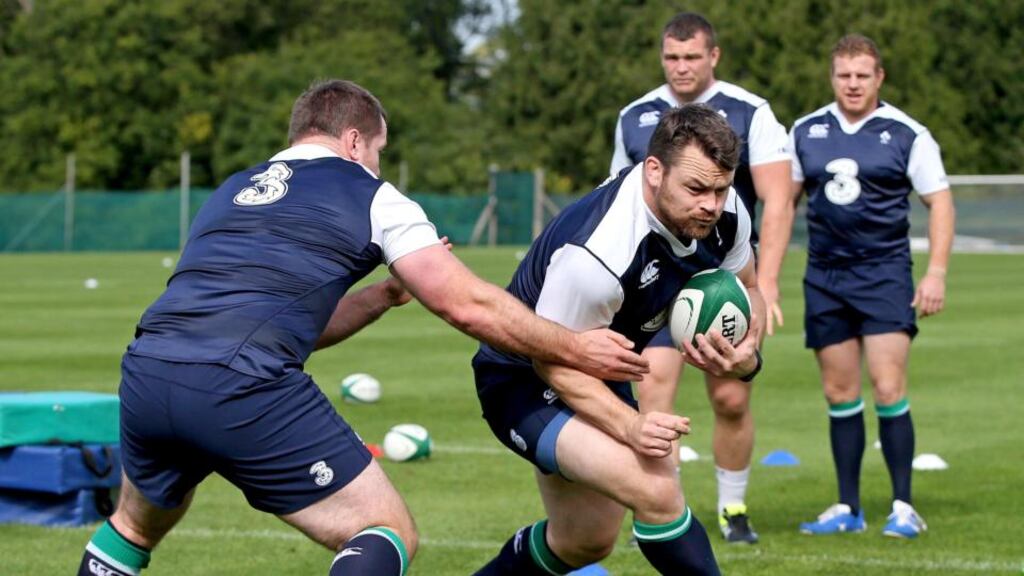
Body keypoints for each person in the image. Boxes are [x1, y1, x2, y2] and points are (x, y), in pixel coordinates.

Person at [75, 79, 651, 576]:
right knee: (386, 529)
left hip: (149, 374)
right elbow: (468, 305)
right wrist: (575, 346)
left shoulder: (235, 188)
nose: (378, 164)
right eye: (378, 150)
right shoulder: (373, 195)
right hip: (241, 385)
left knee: (134, 525)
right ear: (354, 141)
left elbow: (282, 322)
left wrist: (381, 296)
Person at [472, 104, 765, 576]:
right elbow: (553, 362)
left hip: (597, 368)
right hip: (523, 379)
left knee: (584, 540)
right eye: (695, 188)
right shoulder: (599, 254)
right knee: (658, 489)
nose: (711, 204)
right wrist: (630, 427)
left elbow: (749, 287)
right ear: (654, 171)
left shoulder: (725, 211)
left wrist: (749, 350)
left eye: (720, 188)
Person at [610, 11, 792, 543]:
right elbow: (615, 198)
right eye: (672, 57)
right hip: (654, 279)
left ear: (713, 56)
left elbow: (778, 200)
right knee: (654, 389)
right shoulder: (635, 116)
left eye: (692, 57)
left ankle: (733, 509)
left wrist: (769, 282)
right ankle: (664, 508)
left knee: (731, 396)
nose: (681, 67)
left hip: (724, 275)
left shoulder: (750, 111)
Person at [788, 34, 955, 539]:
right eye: (844, 74)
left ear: (879, 77)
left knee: (887, 386)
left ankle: (903, 506)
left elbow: (941, 203)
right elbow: (781, 203)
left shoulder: (907, 133)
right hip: (825, 277)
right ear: (832, 76)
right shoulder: (805, 131)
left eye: (863, 74)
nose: (853, 83)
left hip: (884, 274)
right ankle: (848, 507)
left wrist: (936, 273)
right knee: (839, 391)